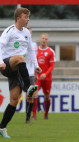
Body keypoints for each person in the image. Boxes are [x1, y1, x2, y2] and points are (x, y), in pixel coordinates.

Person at [0, 7, 41, 138]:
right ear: (18, 18)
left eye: (28, 17)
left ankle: (2, 127)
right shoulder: (10, 31)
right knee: (20, 57)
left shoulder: (26, 33)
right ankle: (28, 87)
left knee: (14, 100)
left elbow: (31, 51)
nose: (28, 19)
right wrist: (0, 61)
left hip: (17, 69)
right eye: (25, 17)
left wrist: (36, 65)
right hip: (7, 64)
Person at [32, 33, 55, 120]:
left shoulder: (50, 51)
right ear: (40, 39)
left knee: (47, 96)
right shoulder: (35, 51)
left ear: (47, 41)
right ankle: (34, 115)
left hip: (47, 78)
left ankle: (46, 114)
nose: (44, 40)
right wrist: (35, 74)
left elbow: (52, 66)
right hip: (37, 77)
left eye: (46, 39)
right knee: (35, 94)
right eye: (43, 38)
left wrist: (45, 73)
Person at [25, 27, 38, 124]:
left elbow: (34, 59)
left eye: (31, 33)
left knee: (31, 95)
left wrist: (36, 72)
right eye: (28, 32)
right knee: (16, 97)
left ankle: (28, 118)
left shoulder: (33, 45)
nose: (29, 34)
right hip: (20, 74)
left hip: (30, 74)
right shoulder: (20, 44)